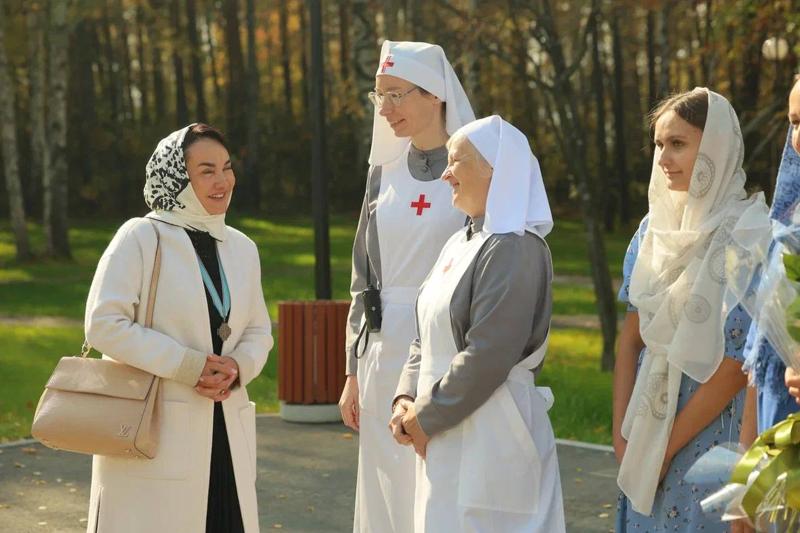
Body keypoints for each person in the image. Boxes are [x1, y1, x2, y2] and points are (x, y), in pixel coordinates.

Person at [84, 123, 272, 532]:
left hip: (226, 428)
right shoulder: (141, 237)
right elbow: (103, 324)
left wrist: (238, 367)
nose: (223, 181)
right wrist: (189, 365)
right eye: (206, 171)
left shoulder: (242, 247)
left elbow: (259, 330)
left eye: (227, 167)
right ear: (177, 177)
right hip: (153, 430)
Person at [391, 115, 565, 532]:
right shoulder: (460, 241)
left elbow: (490, 353)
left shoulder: (515, 247)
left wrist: (424, 417)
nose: (445, 173)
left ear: (495, 168)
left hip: (493, 430)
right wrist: (404, 398)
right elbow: (425, 334)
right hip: (444, 426)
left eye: (457, 161)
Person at [613, 88, 771, 532]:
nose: (663, 158)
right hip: (645, 431)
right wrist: (623, 438)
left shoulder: (750, 235)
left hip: (712, 440)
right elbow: (630, 340)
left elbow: (737, 366)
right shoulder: (652, 233)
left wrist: (663, 450)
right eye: (659, 144)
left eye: (678, 143)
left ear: (717, 146)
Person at [338, 41, 475, 532]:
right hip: (381, 353)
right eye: (380, 96)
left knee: (438, 485)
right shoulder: (382, 173)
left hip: (446, 350)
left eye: (396, 94)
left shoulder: (474, 168)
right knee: (385, 491)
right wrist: (352, 371)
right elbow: (364, 277)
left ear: (435, 94)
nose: (385, 108)